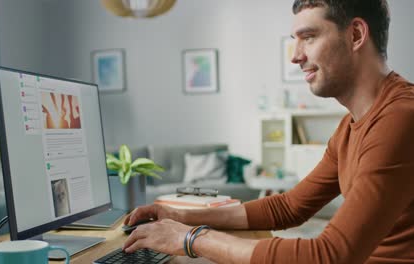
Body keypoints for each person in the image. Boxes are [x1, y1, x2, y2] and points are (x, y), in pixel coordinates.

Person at [122, 0, 414, 263]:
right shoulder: (350, 127)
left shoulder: (399, 118)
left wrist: (190, 238)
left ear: (355, 35)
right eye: (295, 41)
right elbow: (289, 206)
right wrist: (179, 216)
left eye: (309, 38)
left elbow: (330, 255)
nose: (296, 56)